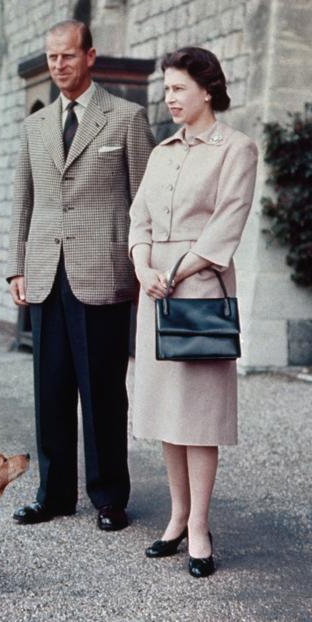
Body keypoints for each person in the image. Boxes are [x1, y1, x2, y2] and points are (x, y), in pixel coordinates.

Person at [7, 20, 155, 530]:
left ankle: (109, 496)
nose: (58, 66)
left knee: (103, 391)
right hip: (46, 272)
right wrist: (15, 268)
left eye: (67, 56)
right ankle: (53, 494)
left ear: (90, 56)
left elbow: (145, 202)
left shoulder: (127, 120)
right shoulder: (35, 125)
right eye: (51, 58)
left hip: (103, 273)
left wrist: (144, 264)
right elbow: (22, 201)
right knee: (49, 390)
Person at [128, 47, 258, 577]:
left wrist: (175, 271)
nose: (170, 98)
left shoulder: (238, 149)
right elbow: (137, 219)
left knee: (199, 417)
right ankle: (177, 517)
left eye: (178, 88)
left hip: (198, 289)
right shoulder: (161, 153)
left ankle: (200, 525)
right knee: (166, 414)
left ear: (207, 90)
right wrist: (141, 266)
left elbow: (227, 224)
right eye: (166, 90)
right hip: (154, 292)